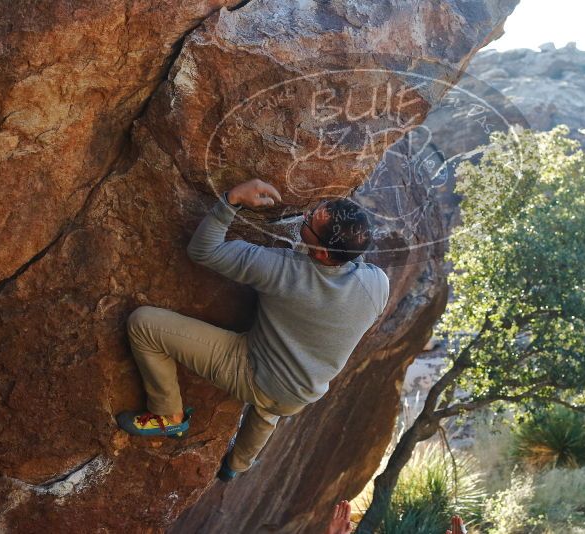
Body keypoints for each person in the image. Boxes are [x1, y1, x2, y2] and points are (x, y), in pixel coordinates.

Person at [116, 179, 390, 482]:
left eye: (310, 221)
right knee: (268, 412)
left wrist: (231, 200)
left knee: (143, 324)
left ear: (323, 254)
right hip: (302, 394)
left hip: (253, 372)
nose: (305, 216)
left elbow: (203, 250)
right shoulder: (378, 285)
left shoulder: (279, 269)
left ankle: (168, 415)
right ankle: (237, 466)